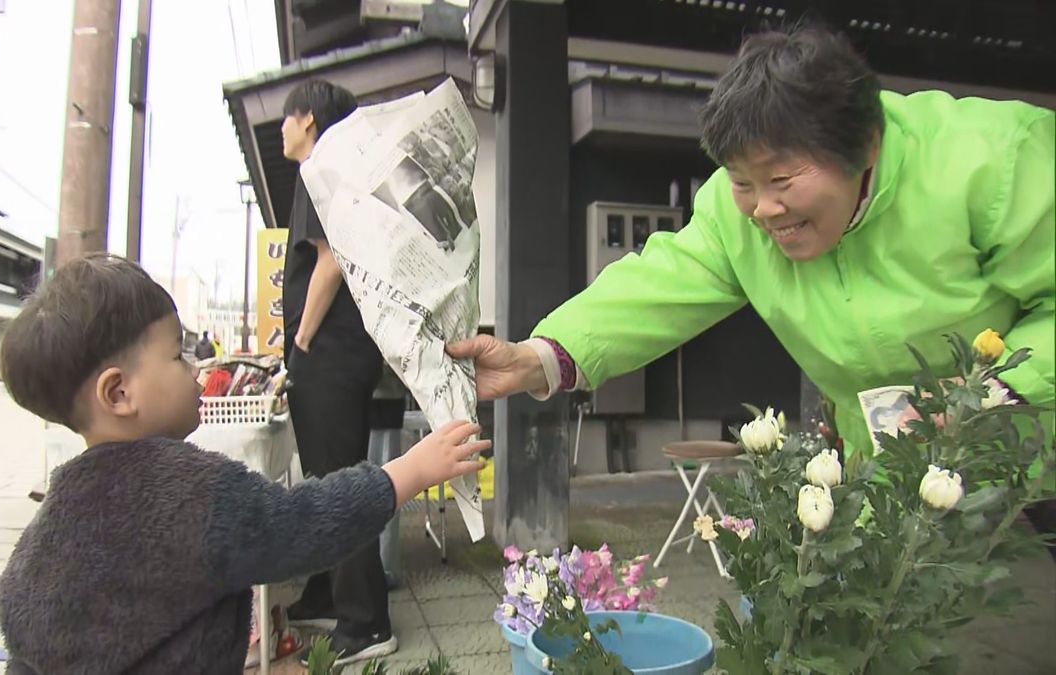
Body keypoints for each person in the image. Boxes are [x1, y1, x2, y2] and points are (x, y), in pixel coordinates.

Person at [448, 27, 1054, 541]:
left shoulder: (992, 160)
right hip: (893, 462)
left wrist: (988, 395)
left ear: (866, 145)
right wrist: (534, 359)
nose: (764, 209)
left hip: (1032, 437)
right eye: (742, 182)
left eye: (782, 179)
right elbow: (658, 285)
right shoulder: (732, 215)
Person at [0, 254, 488, 672]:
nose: (197, 371)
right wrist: (413, 470)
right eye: (176, 357)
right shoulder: (191, 492)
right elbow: (304, 524)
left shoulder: (49, 525)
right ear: (119, 393)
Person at [280, 79, 397, 663]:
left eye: (286, 117)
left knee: (338, 482)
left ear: (308, 120)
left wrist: (299, 343)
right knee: (324, 478)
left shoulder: (320, 167)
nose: (281, 129)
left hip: (329, 353)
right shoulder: (335, 171)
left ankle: (366, 621)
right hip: (337, 353)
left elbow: (327, 263)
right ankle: (327, 590)